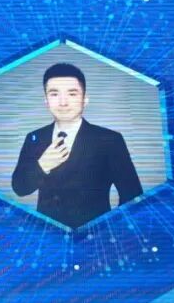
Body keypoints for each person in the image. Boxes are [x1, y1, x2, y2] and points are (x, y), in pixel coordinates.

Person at [11, 62, 143, 229]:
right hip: (47, 235)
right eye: (54, 94)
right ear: (46, 101)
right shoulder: (34, 138)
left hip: (94, 236)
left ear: (85, 99)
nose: (63, 102)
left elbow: (132, 196)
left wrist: (109, 231)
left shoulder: (109, 140)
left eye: (72, 94)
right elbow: (20, 188)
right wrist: (42, 165)